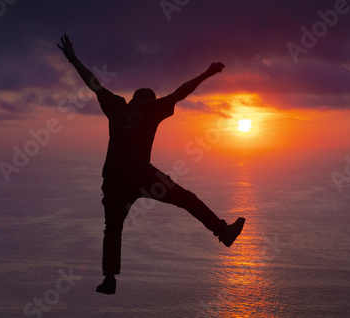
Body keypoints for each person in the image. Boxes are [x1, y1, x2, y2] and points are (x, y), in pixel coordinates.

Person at [57, 34, 245, 295]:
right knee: (186, 199)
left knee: (113, 229)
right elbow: (181, 92)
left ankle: (109, 279)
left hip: (114, 182)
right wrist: (208, 73)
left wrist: (74, 59)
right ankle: (222, 232)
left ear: (133, 99)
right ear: (146, 100)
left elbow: (94, 83)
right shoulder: (149, 110)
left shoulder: (117, 106)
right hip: (142, 178)